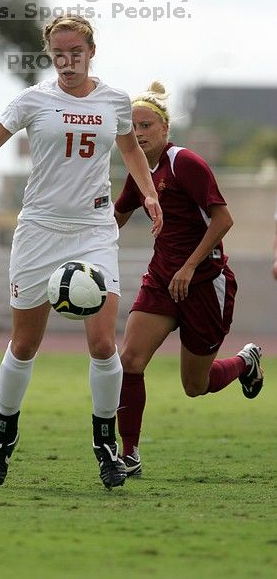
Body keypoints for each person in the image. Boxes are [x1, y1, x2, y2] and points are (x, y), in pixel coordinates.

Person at [0, 15, 162, 490]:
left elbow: (130, 151)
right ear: (51, 55)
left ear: (91, 52)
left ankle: (105, 445)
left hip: (93, 229)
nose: (68, 61)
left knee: (104, 344)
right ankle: (3, 437)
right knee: (25, 345)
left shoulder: (115, 101)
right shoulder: (33, 100)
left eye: (76, 52)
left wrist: (148, 193)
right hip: (39, 231)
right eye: (59, 53)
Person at [114, 81, 264, 477]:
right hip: (161, 280)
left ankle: (245, 361)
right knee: (128, 360)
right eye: (132, 126)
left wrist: (190, 266)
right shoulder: (138, 172)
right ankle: (128, 454)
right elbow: (116, 218)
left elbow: (223, 219)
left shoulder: (185, 163)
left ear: (165, 130)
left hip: (205, 283)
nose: (139, 132)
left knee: (195, 386)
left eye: (146, 125)